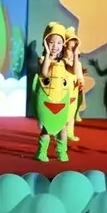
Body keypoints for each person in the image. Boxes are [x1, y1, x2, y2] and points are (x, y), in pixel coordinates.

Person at [33, 22, 71, 162]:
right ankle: (41, 152)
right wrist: (48, 55)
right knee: (47, 128)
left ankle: (61, 151)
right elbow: (43, 74)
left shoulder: (65, 62)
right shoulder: (42, 59)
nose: (55, 46)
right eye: (51, 42)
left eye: (59, 42)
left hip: (61, 99)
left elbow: (75, 71)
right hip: (47, 98)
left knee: (63, 128)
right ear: (45, 43)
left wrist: (74, 53)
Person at [63, 27, 83, 141]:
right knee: (65, 113)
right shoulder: (64, 61)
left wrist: (81, 81)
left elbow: (78, 74)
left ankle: (70, 133)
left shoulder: (77, 62)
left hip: (75, 89)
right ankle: (61, 133)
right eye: (71, 49)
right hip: (66, 90)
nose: (73, 52)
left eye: (75, 49)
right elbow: (73, 70)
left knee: (72, 112)